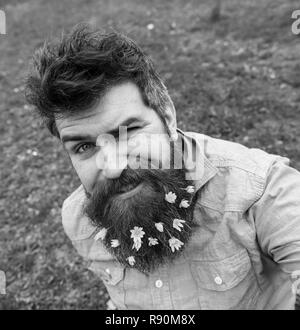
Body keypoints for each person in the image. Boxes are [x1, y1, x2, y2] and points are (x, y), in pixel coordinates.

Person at [25, 23, 300, 310]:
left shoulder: (259, 191)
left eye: (127, 131)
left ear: (167, 117)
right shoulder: (78, 221)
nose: (113, 167)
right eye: (84, 146)